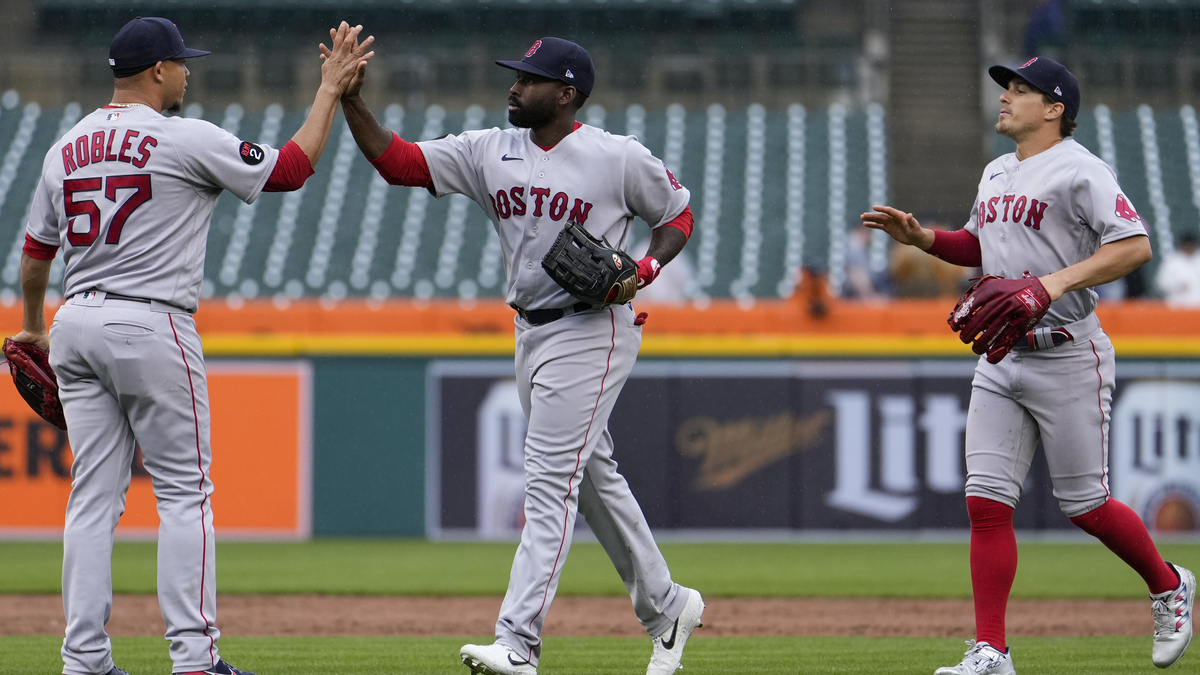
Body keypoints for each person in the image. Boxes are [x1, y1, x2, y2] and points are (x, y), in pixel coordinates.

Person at [7, 17, 371, 675]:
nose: (188, 73)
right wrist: (327, 90)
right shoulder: (181, 137)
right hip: (150, 320)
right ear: (156, 72)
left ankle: (84, 659)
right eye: (181, 64)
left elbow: (35, 254)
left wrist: (33, 323)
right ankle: (197, 660)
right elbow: (289, 171)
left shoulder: (65, 147)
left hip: (76, 322)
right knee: (184, 494)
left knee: (92, 499)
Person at [331, 34, 704, 675]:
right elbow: (400, 162)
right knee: (589, 479)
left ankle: (518, 641)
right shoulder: (487, 150)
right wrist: (351, 102)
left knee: (549, 479)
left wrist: (645, 266)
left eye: (528, 79)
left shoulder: (616, 157)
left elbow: (679, 214)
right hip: (531, 329)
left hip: (594, 327)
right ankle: (668, 606)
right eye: (516, 76)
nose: (514, 86)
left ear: (565, 93)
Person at [862, 56, 1194, 674]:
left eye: (1021, 89)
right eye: (1006, 88)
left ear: (1055, 108)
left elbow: (1135, 244)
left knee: (1086, 506)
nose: (1006, 98)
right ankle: (992, 651)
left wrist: (1048, 284)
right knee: (985, 503)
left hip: (1069, 350)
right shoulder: (995, 171)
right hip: (1004, 352)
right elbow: (982, 245)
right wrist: (924, 240)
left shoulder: (1080, 169)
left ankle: (1168, 584)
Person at [1156, 230, 1200, 307]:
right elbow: (1161, 284)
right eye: (1187, 244)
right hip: (1177, 307)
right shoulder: (1172, 262)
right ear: (1182, 245)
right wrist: (1178, 284)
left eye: (1191, 245)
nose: (1189, 247)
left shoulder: (1198, 259)